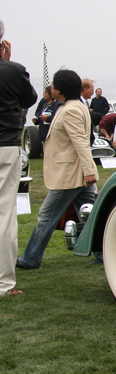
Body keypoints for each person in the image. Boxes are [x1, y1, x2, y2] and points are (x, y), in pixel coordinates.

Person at [17, 69, 98, 270]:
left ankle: (30, 259)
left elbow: (80, 142)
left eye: (53, 85)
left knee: (46, 216)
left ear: (60, 89)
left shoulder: (70, 110)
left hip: (69, 175)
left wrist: (90, 171)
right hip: (76, 173)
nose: (51, 88)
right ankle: (104, 253)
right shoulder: (74, 106)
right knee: (92, 215)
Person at [1, 29, 38, 296]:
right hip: (5, 145)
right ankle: (4, 284)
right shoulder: (14, 71)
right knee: (4, 216)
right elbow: (30, 99)